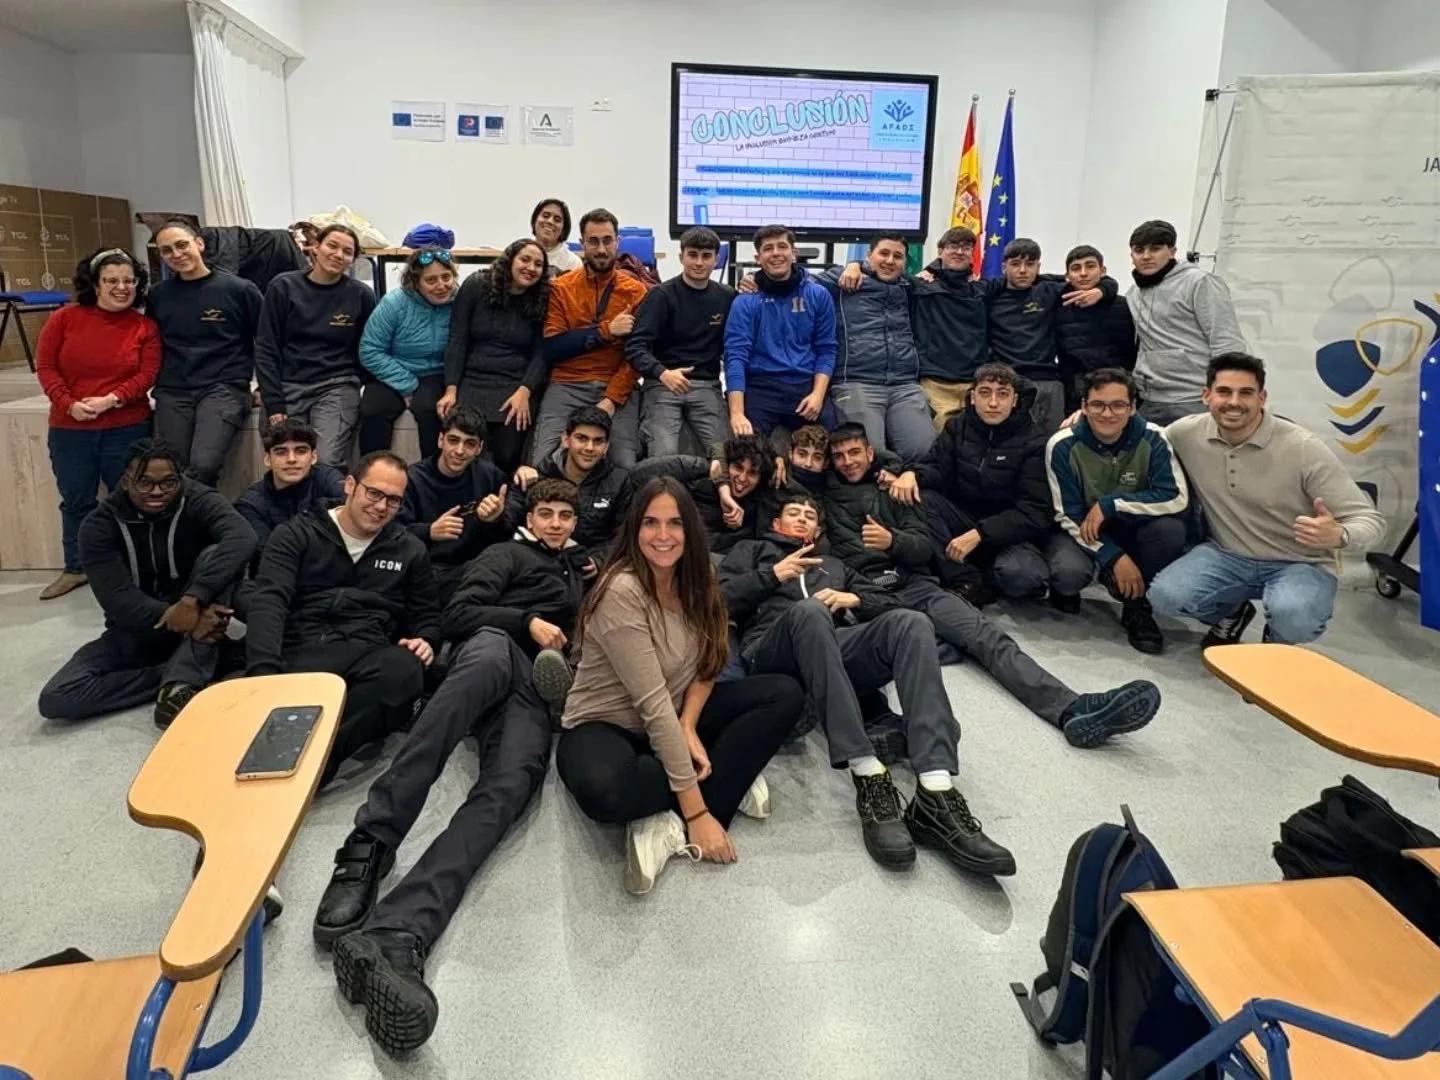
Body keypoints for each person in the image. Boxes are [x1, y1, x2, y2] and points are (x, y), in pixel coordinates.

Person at [314, 478, 585, 1055]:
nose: (556, 522)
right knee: (446, 716)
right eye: (547, 513)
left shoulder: (585, 571)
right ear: (530, 517)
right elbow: (459, 611)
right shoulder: (505, 553)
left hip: (539, 687)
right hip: (493, 647)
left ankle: (397, 933)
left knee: (512, 787)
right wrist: (527, 621)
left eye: (566, 514)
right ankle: (370, 843)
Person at [722, 491, 1015, 874]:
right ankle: (868, 773)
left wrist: (853, 598)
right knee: (810, 612)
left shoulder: (834, 564)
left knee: (912, 623)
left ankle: (936, 788)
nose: (802, 519)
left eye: (810, 516)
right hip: (771, 651)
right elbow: (712, 599)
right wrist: (771, 575)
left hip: (830, 646)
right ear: (776, 523)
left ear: (817, 529)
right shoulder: (753, 550)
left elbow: (892, 605)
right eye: (793, 513)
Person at [823, 422, 1161, 744]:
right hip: (865, 594)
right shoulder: (824, 493)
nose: (848, 462)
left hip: (915, 583)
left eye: (855, 452)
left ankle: (1072, 708)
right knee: (864, 658)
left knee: (986, 636)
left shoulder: (896, 489)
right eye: (838, 456)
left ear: (869, 453)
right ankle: (883, 725)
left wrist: (892, 541)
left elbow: (924, 547)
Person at [554, 476, 802, 894]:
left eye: (675, 523)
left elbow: (709, 664)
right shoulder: (621, 589)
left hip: (673, 713)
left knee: (784, 694)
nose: (663, 536)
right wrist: (698, 816)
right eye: (651, 523)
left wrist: (688, 724)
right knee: (604, 792)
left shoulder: (700, 575)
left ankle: (664, 818)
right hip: (606, 724)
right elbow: (650, 707)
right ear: (635, 530)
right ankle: (720, 782)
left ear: (690, 528)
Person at [1149, 352, 1386, 645]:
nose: (1234, 402)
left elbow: (1371, 521)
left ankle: (1276, 641)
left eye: (1246, 392)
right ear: (1206, 395)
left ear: (1262, 398)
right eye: (1224, 391)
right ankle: (1231, 613)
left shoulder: (1302, 448)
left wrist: (1340, 534)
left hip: (1300, 562)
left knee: (1296, 618)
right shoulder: (1185, 433)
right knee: (1165, 596)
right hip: (1227, 554)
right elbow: (1138, 436)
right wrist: (1087, 417)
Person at [245, 450, 439, 783]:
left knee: (405, 671)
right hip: (302, 646)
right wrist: (264, 674)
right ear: (350, 485)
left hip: (366, 650)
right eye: (374, 493)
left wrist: (427, 639)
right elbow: (269, 602)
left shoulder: (409, 550)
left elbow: (427, 615)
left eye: (393, 501)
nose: (380, 507)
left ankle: (317, 763)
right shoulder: (294, 534)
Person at [37, 440, 255, 727]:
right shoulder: (98, 526)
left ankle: (186, 676)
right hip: (142, 630)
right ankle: (177, 676)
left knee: (216, 555)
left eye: (168, 483)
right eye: (145, 483)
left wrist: (192, 600)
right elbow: (118, 599)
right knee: (57, 697)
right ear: (126, 481)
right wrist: (180, 617)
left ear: (181, 479)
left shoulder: (196, 497)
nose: (157, 492)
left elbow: (243, 537)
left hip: (197, 617)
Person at [35, 247, 161, 601]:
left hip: (127, 426)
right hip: (70, 429)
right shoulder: (64, 319)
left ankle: (128, 568)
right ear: (95, 283)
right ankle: (75, 568)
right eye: (112, 281)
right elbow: (46, 367)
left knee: (129, 499)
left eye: (129, 281)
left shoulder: (145, 327)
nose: (121, 287)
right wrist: (68, 403)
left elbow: (147, 373)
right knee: (76, 500)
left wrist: (111, 400)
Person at [890, 363, 1063, 603]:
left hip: (1008, 532)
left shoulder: (1035, 442)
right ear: (972, 397)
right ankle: (965, 579)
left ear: (1015, 400)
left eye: (1002, 394)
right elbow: (938, 469)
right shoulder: (957, 426)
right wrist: (911, 474)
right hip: (962, 518)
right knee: (919, 498)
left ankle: (989, 574)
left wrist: (981, 533)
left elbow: (1034, 512)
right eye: (985, 392)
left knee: (1023, 578)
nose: (993, 403)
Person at [1044, 369, 1190, 653]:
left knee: (1170, 531)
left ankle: (1136, 605)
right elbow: (1067, 514)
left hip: (1134, 525)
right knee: (1067, 573)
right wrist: (1114, 556)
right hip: (1083, 528)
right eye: (1097, 405)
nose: (1108, 414)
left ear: (1133, 407)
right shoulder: (1061, 444)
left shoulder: (1155, 438)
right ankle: (1080, 585)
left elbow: (1175, 497)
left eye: (1118, 405)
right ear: (1083, 406)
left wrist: (1111, 504)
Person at [146, 221, 263, 486]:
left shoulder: (239, 290)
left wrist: (266, 387)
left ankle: (200, 522)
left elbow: (266, 342)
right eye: (167, 250)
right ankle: (181, 525)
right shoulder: (159, 295)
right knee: (169, 467)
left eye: (182, 245)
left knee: (203, 465)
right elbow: (151, 343)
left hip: (223, 387)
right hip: (174, 389)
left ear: (199, 244)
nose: (176, 254)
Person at [532, 208, 648, 468]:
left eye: (607, 241)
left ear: (618, 241)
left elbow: (637, 355)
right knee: (543, 463)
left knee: (623, 465)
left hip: (615, 386)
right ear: (582, 244)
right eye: (593, 242)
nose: (601, 249)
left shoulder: (635, 291)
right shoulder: (561, 288)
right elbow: (553, 347)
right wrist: (607, 331)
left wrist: (611, 399)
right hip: (567, 384)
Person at [254, 223, 377, 467]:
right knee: (287, 462)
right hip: (289, 384)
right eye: (332, 245)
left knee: (326, 461)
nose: (338, 254)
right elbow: (266, 347)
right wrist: (274, 402)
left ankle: (326, 506)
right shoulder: (283, 287)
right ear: (315, 247)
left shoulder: (361, 295)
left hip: (336, 386)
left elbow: (369, 348)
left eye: (347, 251)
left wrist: (356, 380)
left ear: (353, 260)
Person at [438, 238, 550, 474]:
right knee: (466, 450)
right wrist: (451, 389)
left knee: (507, 456)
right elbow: (458, 339)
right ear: (510, 259)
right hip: (473, 380)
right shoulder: (477, 285)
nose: (531, 268)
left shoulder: (542, 298)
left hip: (515, 386)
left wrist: (525, 391)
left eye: (538, 264)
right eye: (525, 259)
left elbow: (542, 353)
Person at [821, 234, 935, 459]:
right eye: (884, 253)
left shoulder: (909, 286)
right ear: (868, 256)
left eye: (898, 256)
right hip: (857, 382)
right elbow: (794, 282)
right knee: (866, 457)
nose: (890, 261)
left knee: (926, 454)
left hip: (904, 385)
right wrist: (753, 280)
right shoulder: (843, 278)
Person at [985, 238, 1113, 434]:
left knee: (1053, 441)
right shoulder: (990, 295)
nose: (1022, 270)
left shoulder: (1050, 290)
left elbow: (1093, 280)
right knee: (1009, 445)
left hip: (1049, 383)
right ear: (1004, 267)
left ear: (1038, 266)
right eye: (1015, 264)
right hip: (1008, 383)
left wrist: (1102, 290)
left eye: (1029, 264)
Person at [627, 225, 733, 460]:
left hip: (707, 386)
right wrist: (663, 373)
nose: (699, 263)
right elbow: (635, 347)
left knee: (724, 457)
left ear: (716, 260)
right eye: (692, 255)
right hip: (663, 385)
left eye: (706, 256)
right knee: (663, 456)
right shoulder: (661, 296)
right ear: (681, 256)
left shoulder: (727, 297)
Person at [1127, 219, 1247, 425]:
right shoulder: (1133, 293)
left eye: (1155, 249)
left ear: (1172, 251)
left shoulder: (1200, 282)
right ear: (1132, 255)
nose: (1146, 256)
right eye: (1139, 250)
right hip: (1150, 400)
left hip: (1194, 398)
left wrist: (1224, 393)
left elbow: (1226, 341)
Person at [724, 224, 837, 442]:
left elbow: (826, 349)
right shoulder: (745, 301)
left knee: (837, 449)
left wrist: (818, 395)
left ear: (794, 254)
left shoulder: (818, 295)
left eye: (782, 246)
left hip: (806, 385)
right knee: (746, 451)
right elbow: (735, 356)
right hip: (761, 387)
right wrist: (737, 414)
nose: (776, 253)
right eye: (768, 248)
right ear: (758, 258)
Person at [398, 405, 509, 592]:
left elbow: (508, 530)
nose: (459, 451)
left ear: (479, 448)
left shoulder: (490, 475)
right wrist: (429, 531)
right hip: (427, 571)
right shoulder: (412, 479)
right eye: (453, 440)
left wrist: (494, 519)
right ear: (441, 440)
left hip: (477, 570)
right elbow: (392, 532)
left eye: (469, 444)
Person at [357, 246, 456, 455]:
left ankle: (432, 478)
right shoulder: (394, 303)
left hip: (437, 373)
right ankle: (372, 473)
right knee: (373, 411)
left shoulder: (460, 302)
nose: (441, 286)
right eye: (431, 280)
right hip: (395, 369)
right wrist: (407, 385)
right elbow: (370, 349)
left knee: (432, 411)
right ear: (416, 282)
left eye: (446, 277)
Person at [505, 405, 630, 563]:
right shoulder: (534, 477)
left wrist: (597, 561)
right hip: (537, 565)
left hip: (590, 568)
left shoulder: (621, 481)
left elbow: (623, 536)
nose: (589, 448)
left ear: (606, 447)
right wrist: (494, 517)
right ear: (566, 440)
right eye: (582, 438)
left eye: (598, 441)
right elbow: (508, 528)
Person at [235, 418, 346, 573]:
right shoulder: (251, 503)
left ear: (313, 457)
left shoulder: (328, 480)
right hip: (275, 579)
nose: (292, 459)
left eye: (301, 451)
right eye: (281, 452)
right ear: (268, 459)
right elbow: (269, 556)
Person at [911, 227, 988, 429]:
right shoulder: (919, 286)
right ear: (940, 251)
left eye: (966, 248)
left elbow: (1025, 282)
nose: (959, 252)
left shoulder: (982, 289)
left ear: (973, 254)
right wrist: (855, 266)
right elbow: (883, 273)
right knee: (941, 441)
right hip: (935, 381)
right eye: (953, 246)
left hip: (973, 381)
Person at [1055, 244, 1137, 412]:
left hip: (1118, 388)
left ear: (1103, 270)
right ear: (1067, 275)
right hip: (1075, 393)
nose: (1083, 273)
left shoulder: (1124, 304)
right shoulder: (1058, 304)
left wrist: (1103, 290)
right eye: (1076, 268)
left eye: (1090, 266)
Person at [530, 197, 581, 274]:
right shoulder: (519, 254)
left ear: (564, 229)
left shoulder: (573, 263)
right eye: (545, 216)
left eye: (557, 220)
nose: (550, 221)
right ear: (534, 221)